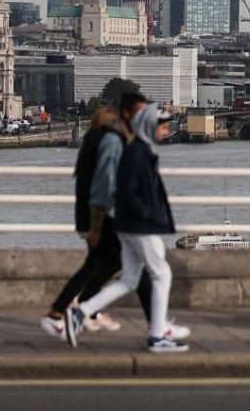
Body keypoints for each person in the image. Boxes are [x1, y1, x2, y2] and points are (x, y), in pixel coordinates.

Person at [65, 104, 190, 353]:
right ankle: (157, 334)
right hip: (139, 226)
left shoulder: (138, 150)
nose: (166, 131)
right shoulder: (138, 153)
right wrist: (147, 213)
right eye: (162, 127)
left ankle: (82, 312)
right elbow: (129, 191)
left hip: (128, 224)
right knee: (162, 274)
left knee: (130, 279)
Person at [40, 106, 152, 338]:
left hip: (93, 218)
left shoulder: (94, 144)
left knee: (103, 265)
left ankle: (79, 310)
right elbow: (105, 186)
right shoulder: (109, 144)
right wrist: (97, 225)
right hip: (100, 219)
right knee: (111, 266)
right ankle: (66, 312)